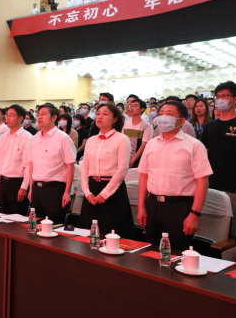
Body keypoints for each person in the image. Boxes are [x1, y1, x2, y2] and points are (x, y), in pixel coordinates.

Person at [137, 101, 212, 250]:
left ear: (182, 121)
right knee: (151, 251)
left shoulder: (194, 145)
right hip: (153, 204)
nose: (163, 117)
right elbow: (144, 176)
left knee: (177, 252)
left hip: (180, 207)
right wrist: (141, 208)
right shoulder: (151, 144)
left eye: (169, 114)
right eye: (161, 113)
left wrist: (194, 215)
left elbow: (202, 182)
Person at [201, 82, 236, 238]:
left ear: (235, 99)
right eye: (218, 96)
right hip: (211, 184)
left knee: (235, 231)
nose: (220, 100)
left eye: (225, 96)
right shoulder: (210, 126)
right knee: (211, 228)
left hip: (235, 186)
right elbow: (203, 156)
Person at [79, 103, 134, 238]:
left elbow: (122, 169)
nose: (100, 117)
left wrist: (105, 194)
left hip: (112, 190)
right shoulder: (91, 140)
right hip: (92, 189)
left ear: (115, 119)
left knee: (111, 233)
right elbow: (85, 167)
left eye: (105, 114)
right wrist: (87, 192)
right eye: (98, 114)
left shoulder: (122, 139)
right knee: (88, 233)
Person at [27, 103, 76, 224]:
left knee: (54, 225)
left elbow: (70, 166)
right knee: (36, 225)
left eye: (44, 114)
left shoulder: (63, 138)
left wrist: (67, 192)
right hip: (37, 189)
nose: (39, 117)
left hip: (55, 189)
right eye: (38, 114)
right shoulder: (35, 138)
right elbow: (32, 164)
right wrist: (31, 189)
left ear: (54, 117)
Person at [0, 104, 33, 215]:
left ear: (20, 119)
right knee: (3, 216)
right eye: (7, 115)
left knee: (17, 217)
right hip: (3, 181)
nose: (7, 118)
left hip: (17, 183)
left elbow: (28, 166)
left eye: (11, 115)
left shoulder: (27, 137)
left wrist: (24, 187)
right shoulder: (3, 137)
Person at [123, 99, 153, 168]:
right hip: (125, 157)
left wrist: (133, 160)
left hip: (138, 160)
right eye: (131, 106)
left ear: (142, 109)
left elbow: (144, 145)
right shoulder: (126, 124)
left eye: (135, 106)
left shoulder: (146, 126)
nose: (132, 108)